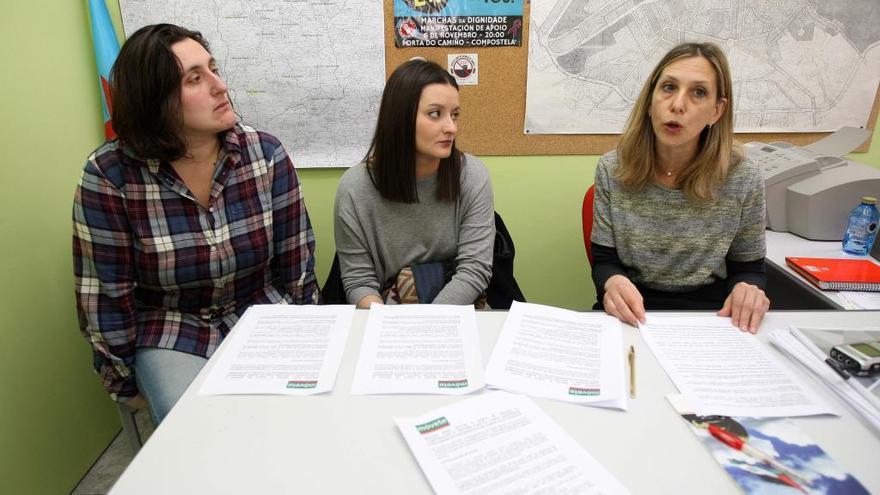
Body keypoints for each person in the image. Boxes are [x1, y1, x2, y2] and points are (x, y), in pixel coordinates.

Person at [73, 24, 319, 423]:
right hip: (173, 329)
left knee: (295, 417)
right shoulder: (109, 174)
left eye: (213, 69)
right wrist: (124, 383)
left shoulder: (265, 153)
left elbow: (297, 264)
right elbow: (105, 296)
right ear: (155, 100)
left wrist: (307, 338)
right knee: (194, 427)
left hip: (261, 313)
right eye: (194, 78)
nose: (220, 86)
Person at [590, 42, 769, 332]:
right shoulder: (613, 169)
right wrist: (613, 281)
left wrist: (747, 290)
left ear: (717, 110)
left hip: (711, 319)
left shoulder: (743, 178)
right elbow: (604, 260)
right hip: (631, 315)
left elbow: (748, 269)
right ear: (650, 100)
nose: (677, 105)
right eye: (669, 87)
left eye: (698, 93)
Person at [334, 59, 495, 308]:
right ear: (400, 118)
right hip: (387, 312)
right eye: (435, 114)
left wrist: (426, 326)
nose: (451, 127)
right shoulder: (355, 187)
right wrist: (387, 326)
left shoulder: (471, 174)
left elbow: (474, 270)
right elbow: (359, 282)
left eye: (455, 115)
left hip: (458, 307)